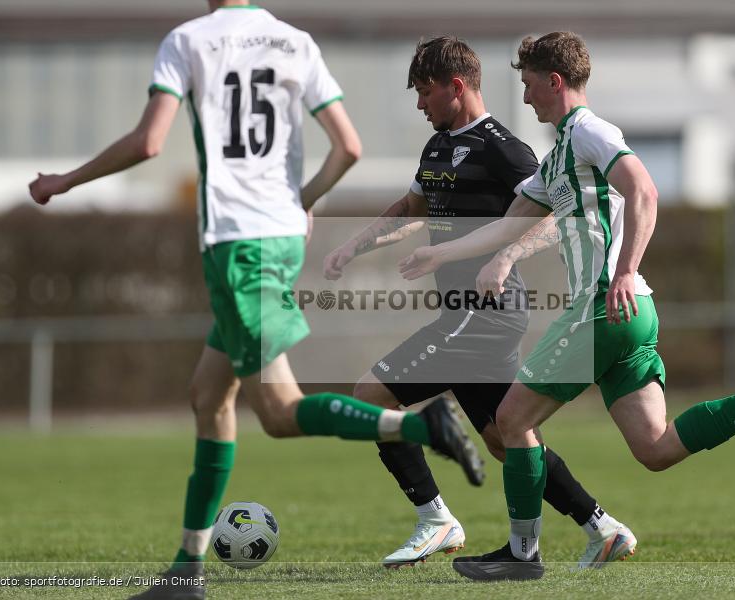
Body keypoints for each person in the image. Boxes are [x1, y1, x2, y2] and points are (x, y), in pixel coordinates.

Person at [28, 3, 482, 599]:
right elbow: (348, 147)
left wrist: (64, 181)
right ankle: (186, 573)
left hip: (238, 245)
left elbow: (149, 142)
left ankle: (421, 424)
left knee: (278, 412)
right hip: (278, 238)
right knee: (208, 394)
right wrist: (303, 200)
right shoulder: (294, 41)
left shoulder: (189, 40)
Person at [398, 31, 735, 581]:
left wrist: (627, 270)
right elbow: (509, 224)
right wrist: (443, 252)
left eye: (530, 84)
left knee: (511, 420)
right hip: (632, 315)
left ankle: (521, 553)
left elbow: (644, 190)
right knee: (656, 448)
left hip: (603, 306)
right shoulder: (558, 156)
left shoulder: (589, 131)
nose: (526, 95)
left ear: (555, 82)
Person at [323, 36, 634, 569]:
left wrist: (507, 257)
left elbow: (553, 216)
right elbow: (411, 208)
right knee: (506, 439)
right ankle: (602, 528)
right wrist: (354, 245)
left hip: (486, 312)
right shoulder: (437, 147)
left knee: (371, 395)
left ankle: (435, 520)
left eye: (425, 92)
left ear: (456, 86)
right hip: (462, 313)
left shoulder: (504, 149)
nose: (419, 104)